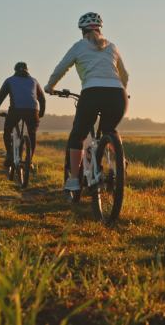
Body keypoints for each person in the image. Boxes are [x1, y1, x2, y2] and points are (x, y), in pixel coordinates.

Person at [44, 12, 129, 194]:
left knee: (78, 136)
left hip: (92, 93)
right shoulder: (112, 46)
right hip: (117, 95)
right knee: (110, 130)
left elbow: (61, 68)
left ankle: (74, 179)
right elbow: (125, 76)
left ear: (82, 31)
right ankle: (119, 161)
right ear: (100, 29)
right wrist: (122, 90)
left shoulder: (79, 46)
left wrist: (50, 86)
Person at [0, 62, 45, 167]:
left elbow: (0, 97)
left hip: (16, 110)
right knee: (32, 134)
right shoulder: (34, 81)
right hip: (33, 110)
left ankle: (10, 155)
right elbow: (42, 99)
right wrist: (41, 113)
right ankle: (29, 161)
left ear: (15, 70)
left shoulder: (9, 81)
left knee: (7, 130)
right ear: (27, 70)